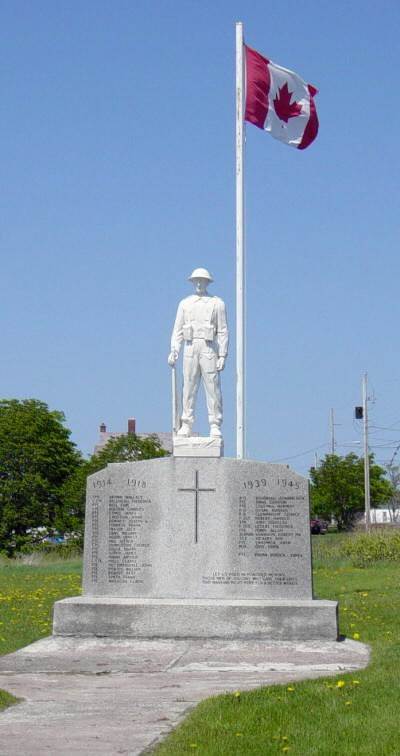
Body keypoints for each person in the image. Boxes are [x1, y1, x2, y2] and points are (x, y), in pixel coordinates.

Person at [168, 268, 229, 438]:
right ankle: (186, 423)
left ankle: (215, 423)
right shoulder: (185, 304)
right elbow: (177, 330)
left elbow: (223, 330)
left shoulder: (217, 303)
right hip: (190, 346)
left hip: (209, 347)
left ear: (208, 282)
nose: (199, 283)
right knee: (188, 386)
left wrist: (223, 354)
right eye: (196, 280)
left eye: (203, 280)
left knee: (212, 387)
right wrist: (174, 350)